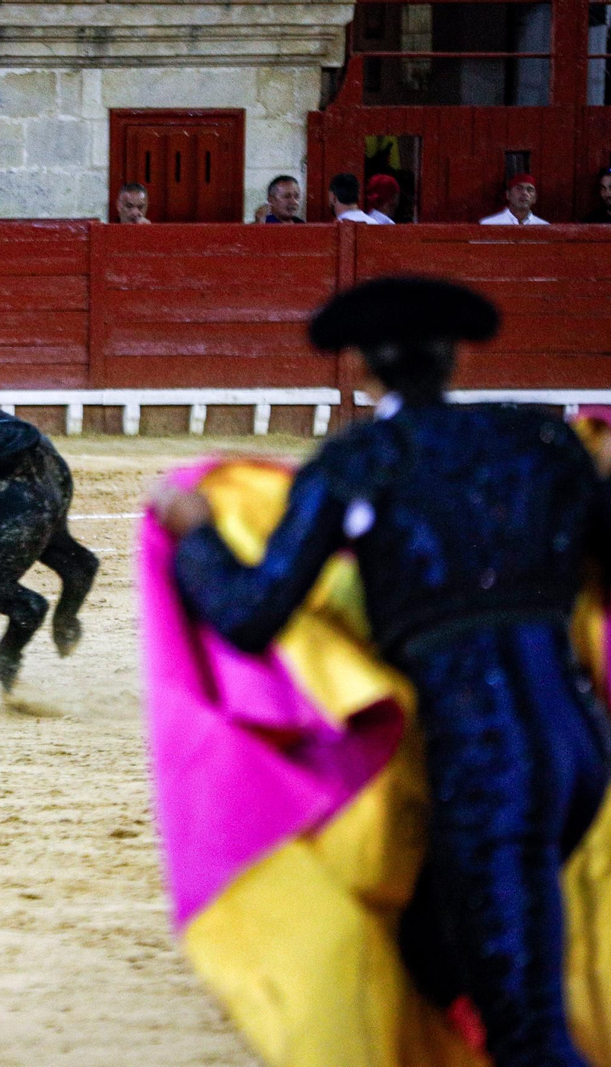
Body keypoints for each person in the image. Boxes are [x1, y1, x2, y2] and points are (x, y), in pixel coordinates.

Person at [150, 275, 611, 1066]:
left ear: (360, 364)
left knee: (528, 1032)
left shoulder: (360, 461)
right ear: (457, 356)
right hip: (581, 748)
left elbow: (252, 611)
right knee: (429, 957)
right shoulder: (540, 440)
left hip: (489, 762)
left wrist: (195, 532)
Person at [481, 173, 548, 225]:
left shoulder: (544, 226)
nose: (524, 193)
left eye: (529, 190)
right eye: (519, 188)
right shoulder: (489, 224)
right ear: (508, 195)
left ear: (535, 198)